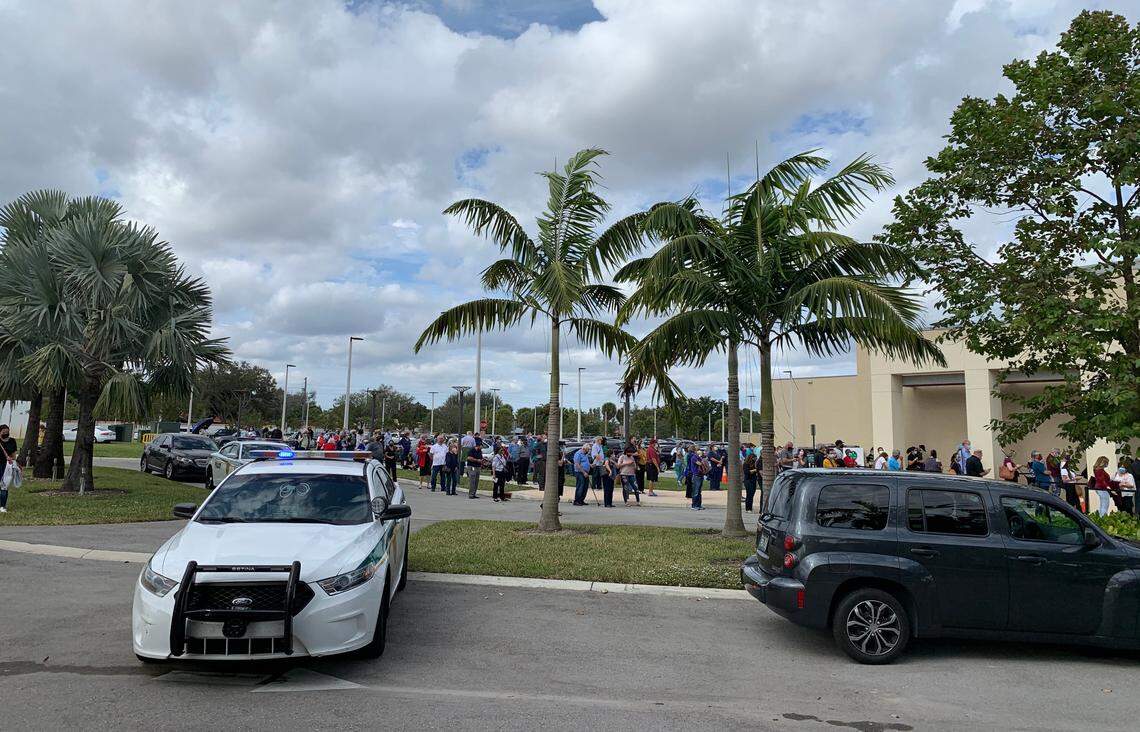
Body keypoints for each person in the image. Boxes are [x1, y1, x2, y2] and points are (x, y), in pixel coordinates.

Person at [0, 424, 17, 513]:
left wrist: (11, 459)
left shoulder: (12, 441)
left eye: (7, 432)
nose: (6, 434)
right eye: (4, 432)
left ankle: (2, 506)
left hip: (7, 466)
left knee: (4, 486)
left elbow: (14, 455)